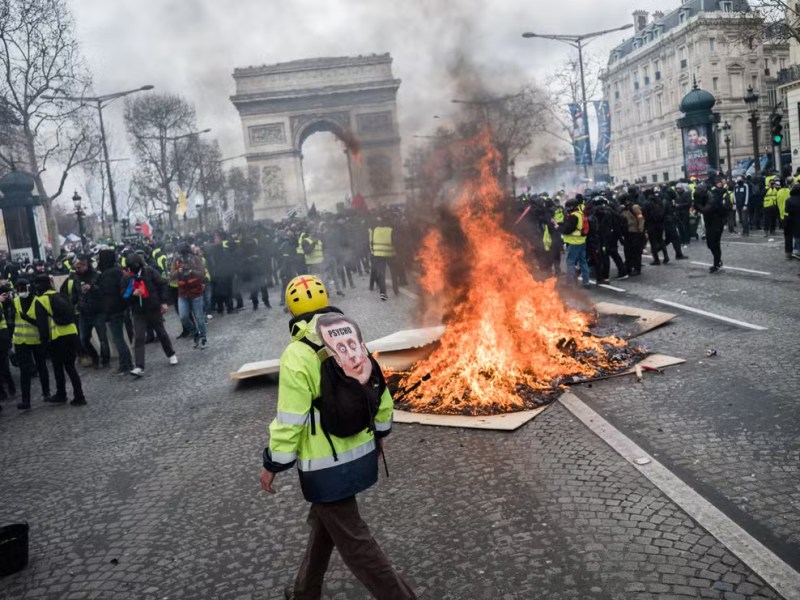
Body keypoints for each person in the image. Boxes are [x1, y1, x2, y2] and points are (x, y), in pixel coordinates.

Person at [261, 275, 415, 600]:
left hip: (325, 466)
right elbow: (377, 389)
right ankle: (305, 593)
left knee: (356, 543)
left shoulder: (296, 353)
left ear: (291, 310)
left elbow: (290, 419)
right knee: (325, 522)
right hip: (361, 451)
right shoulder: (349, 336)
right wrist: (381, 433)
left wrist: (273, 462)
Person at [32, 274, 85, 406]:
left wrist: (43, 343)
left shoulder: (41, 300)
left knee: (58, 367)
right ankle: (79, 396)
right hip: (72, 332)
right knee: (70, 366)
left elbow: (42, 325)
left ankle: (61, 394)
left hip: (57, 337)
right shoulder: (61, 295)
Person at [123, 253, 178, 377]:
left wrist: (163, 302)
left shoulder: (150, 272)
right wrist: (132, 293)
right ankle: (139, 366)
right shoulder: (127, 278)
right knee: (139, 337)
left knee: (161, 333)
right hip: (137, 311)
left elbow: (162, 285)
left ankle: (171, 354)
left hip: (152, 307)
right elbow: (123, 294)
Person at [11, 277, 51, 409]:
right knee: (24, 371)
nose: (21, 291)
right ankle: (26, 400)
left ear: (29, 288)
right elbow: (11, 319)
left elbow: (42, 323)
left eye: (23, 288)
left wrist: (28, 319)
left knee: (42, 367)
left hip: (36, 339)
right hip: (20, 341)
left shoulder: (37, 301)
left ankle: (46, 393)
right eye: (18, 289)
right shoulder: (15, 301)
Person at [97, 248, 134, 375]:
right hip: (121, 308)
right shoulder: (119, 271)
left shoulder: (105, 275)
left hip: (113, 310)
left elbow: (106, 295)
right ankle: (128, 362)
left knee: (118, 338)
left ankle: (125, 365)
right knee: (120, 338)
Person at [74, 256, 110, 368]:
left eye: (81, 266)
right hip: (84, 312)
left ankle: (105, 360)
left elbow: (103, 291)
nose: (79, 268)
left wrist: (92, 287)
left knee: (102, 338)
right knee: (83, 338)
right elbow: (75, 294)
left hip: (98, 311)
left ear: (86, 265)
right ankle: (94, 357)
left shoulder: (97, 275)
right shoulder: (76, 278)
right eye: (77, 266)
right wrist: (74, 304)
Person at [170, 242, 208, 349]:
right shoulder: (176, 261)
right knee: (183, 317)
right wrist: (179, 271)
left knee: (199, 317)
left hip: (196, 292)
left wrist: (192, 272)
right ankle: (195, 332)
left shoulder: (196, 259)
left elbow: (202, 274)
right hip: (183, 293)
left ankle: (203, 338)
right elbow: (171, 276)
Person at [557, 198, 590, 287]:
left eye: (568, 207)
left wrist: (558, 227)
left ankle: (570, 283)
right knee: (583, 262)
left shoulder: (573, 216)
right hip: (582, 241)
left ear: (571, 207)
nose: (567, 208)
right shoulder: (581, 214)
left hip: (574, 242)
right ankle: (586, 281)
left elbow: (568, 230)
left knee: (570, 262)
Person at [695, 180, 727, 273]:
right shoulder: (705, 197)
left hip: (716, 223)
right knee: (710, 244)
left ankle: (716, 263)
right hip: (710, 222)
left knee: (714, 243)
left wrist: (698, 205)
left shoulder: (711, 198)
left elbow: (706, 210)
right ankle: (718, 261)